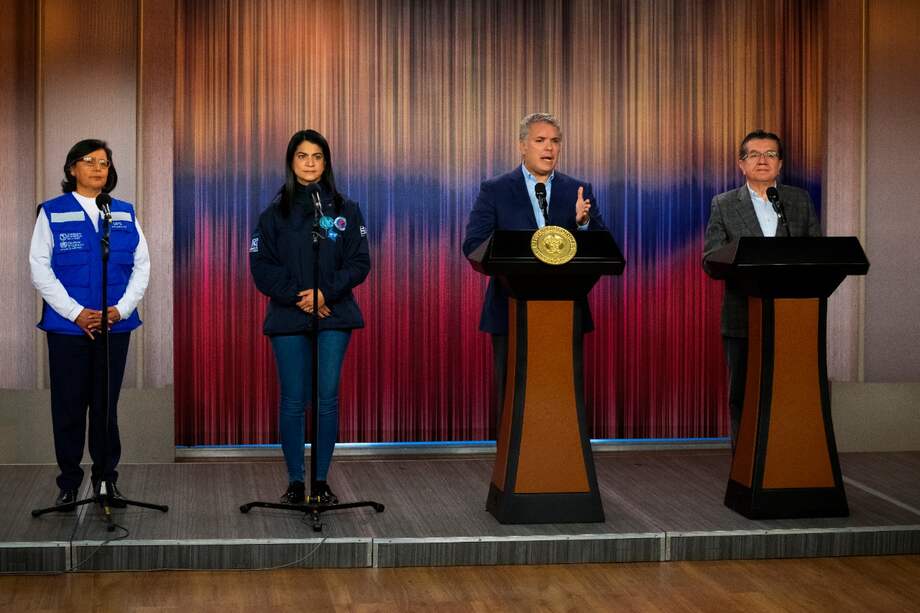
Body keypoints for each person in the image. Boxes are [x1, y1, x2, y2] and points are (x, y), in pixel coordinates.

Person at [462, 113, 609, 425]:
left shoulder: (578, 191)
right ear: (522, 146)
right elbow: (473, 244)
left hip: (565, 310)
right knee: (514, 400)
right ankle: (513, 470)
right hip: (510, 309)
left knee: (561, 400)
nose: (549, 148)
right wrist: (516, 252)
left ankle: (563, 466)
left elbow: (602, 247)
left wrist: (583, 225)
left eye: (555, 141)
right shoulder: (496, 189)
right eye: (540, 140)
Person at [250, 129, 370, 505]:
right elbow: (262, 267)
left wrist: (324, 293)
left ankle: (319, 482)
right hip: (289, 317)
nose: (310, 163)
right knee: (293, 399)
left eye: (317, 156)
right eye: (302, 156)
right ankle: (294, 482)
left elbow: (359, 262)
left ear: (326, 162)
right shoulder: (273, 214)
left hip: (333, 315)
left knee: (327, 398)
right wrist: (300, 298)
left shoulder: (346, 210)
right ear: (291, 162)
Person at [30, 139, 150, 508]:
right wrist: (75, 312)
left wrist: (122, 308)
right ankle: (68, 483)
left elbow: (142, 265)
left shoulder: (124, 212)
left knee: (105, 406)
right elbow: (39, 267)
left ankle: (105, 481)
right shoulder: (52, 211)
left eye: (105, 162)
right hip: (69, 329)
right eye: (90, 161)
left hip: (114, 327)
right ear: (71, 169)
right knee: (68, 406)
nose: (99, 168)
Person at [702, 129, 821, 447]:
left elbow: (817, 253)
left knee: (790, 392)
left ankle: (788, 456)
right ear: (741, 164)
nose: (762, 160)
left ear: (780, 164)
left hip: (792, 318)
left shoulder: (798, 200)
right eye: (754, 154)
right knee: (744, 393)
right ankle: (745, 463)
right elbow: (711, 258)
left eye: (770, 154)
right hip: (743, 315)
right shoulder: (724, 204)